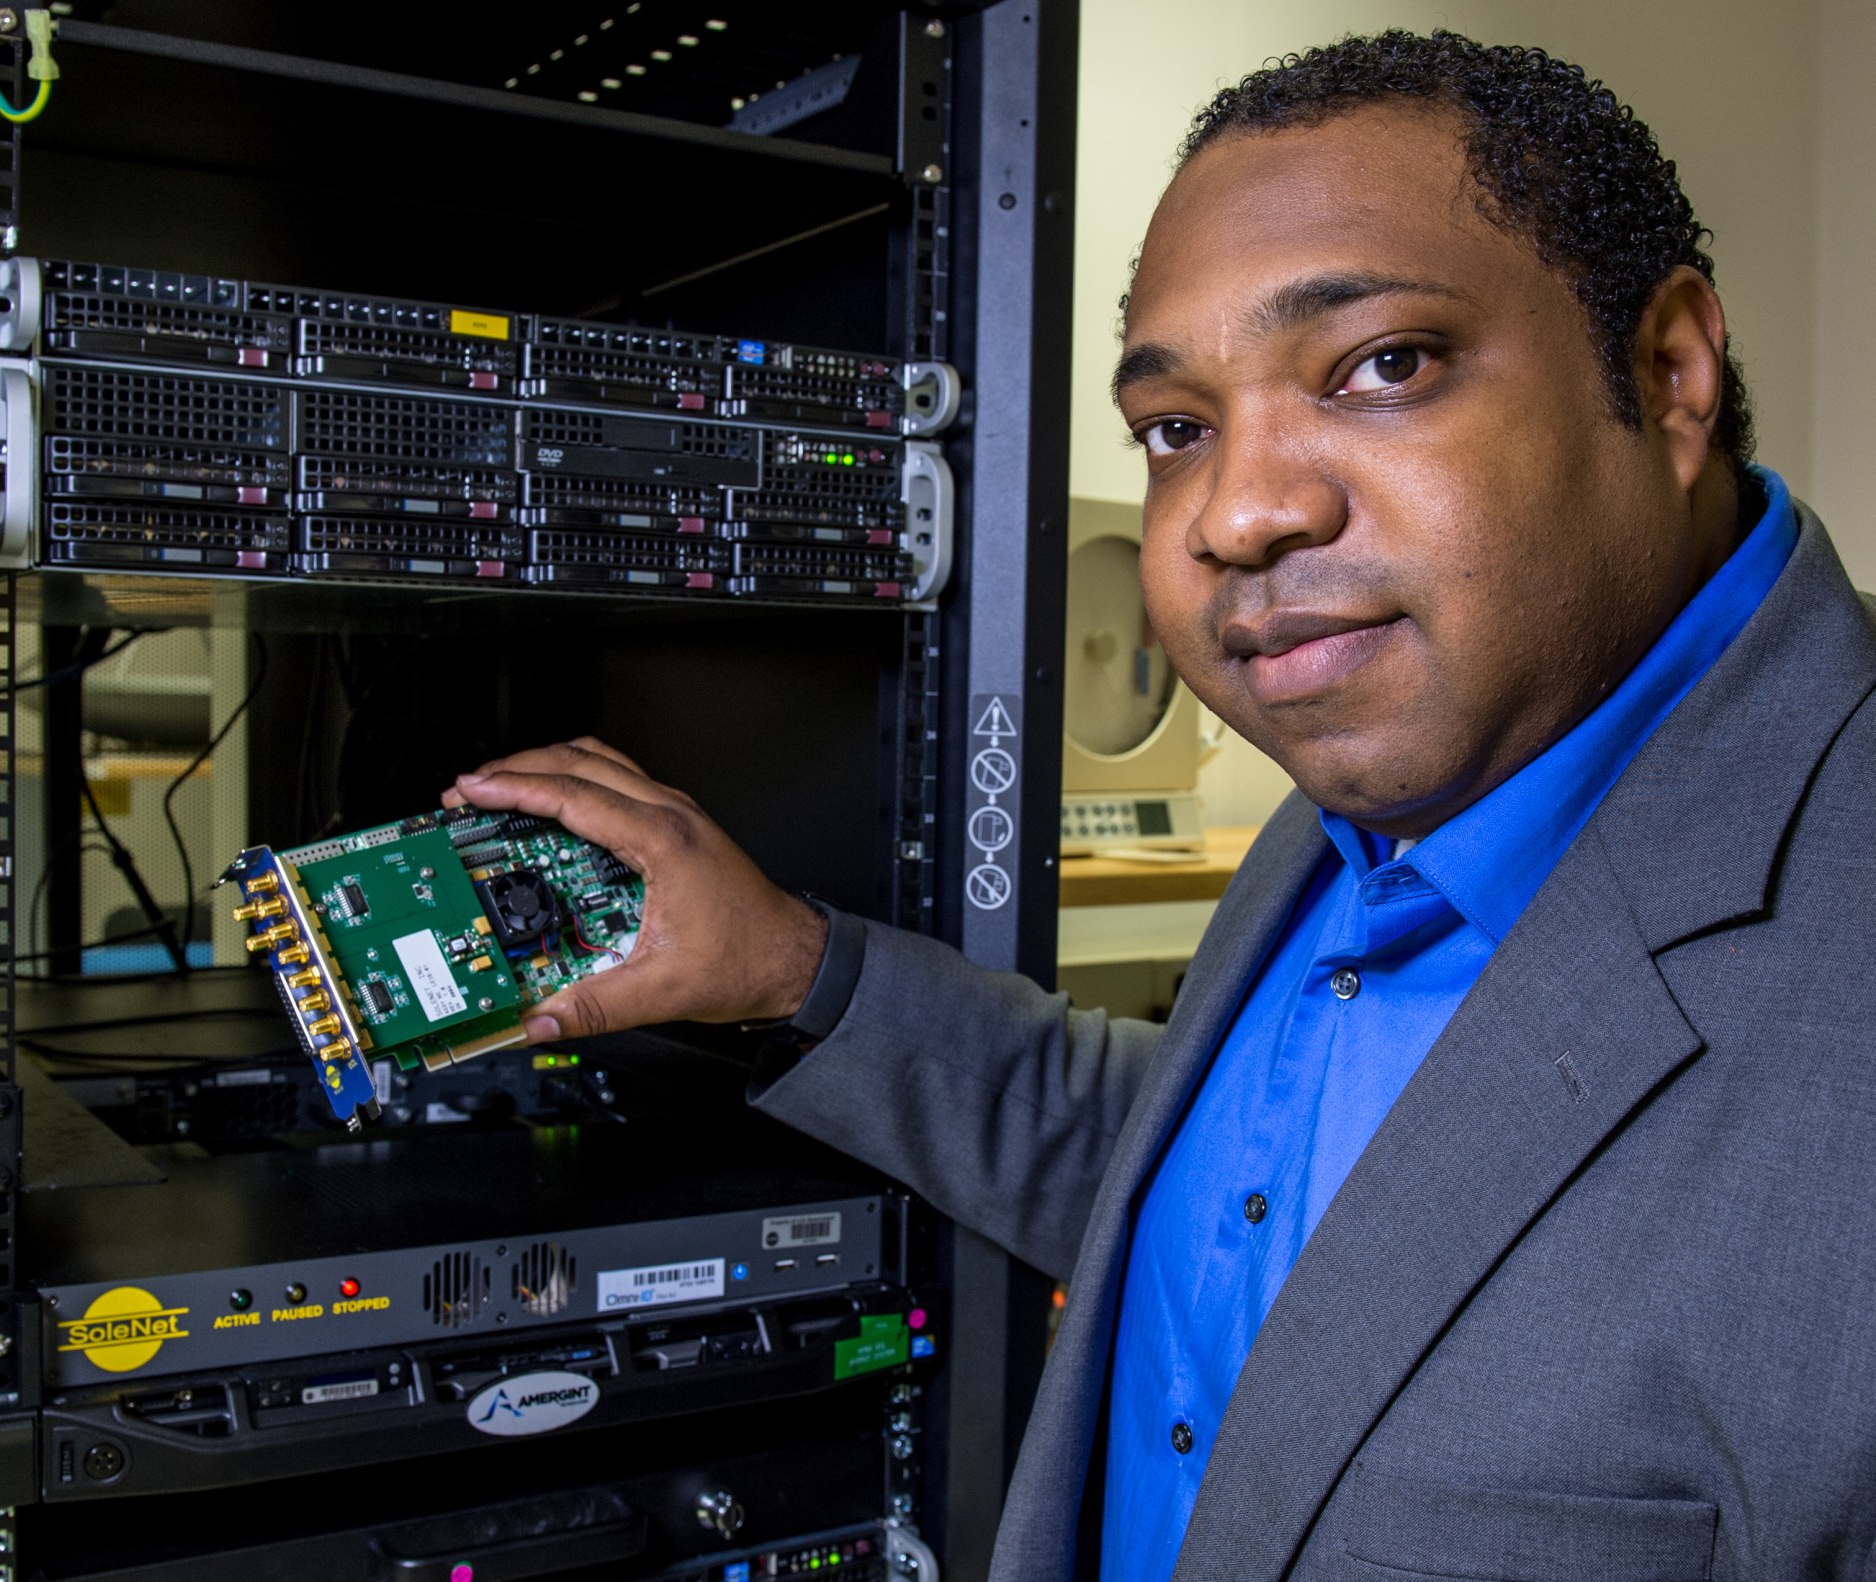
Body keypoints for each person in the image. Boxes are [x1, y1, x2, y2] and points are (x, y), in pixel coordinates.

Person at [448, 31, 1876, 1581]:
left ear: (1667, 373)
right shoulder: (1400, 772)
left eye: (1381, 364)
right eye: (1177, 428)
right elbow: (1274, 1219)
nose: (1239, 513)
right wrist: (798, 966)